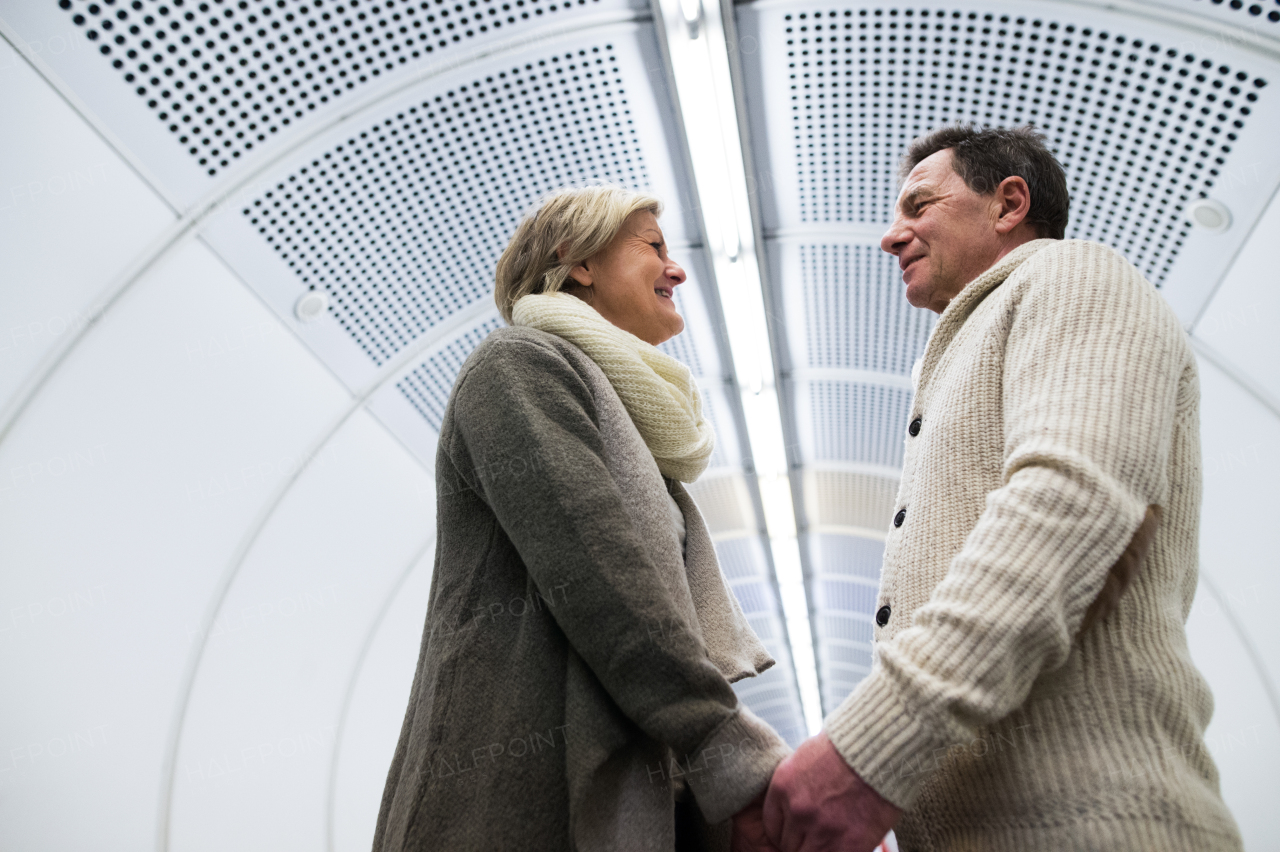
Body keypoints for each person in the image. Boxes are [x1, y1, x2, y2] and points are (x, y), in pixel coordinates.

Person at [762, 126, 1243, 850]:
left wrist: (871, 750)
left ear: (1009, 203)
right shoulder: (961, 351)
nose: (892, 237)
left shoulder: (1075, 276)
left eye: (919, 206)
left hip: (1091, 824)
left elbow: (1070, 507)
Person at [372, 184, 790, 852]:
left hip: (631, 790)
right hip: (512, 795)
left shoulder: (635, 433)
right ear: (579, 262)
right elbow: (601, 574)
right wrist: (730, 753)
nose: (677, 268)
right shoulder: (519, 366)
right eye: (654, 247)